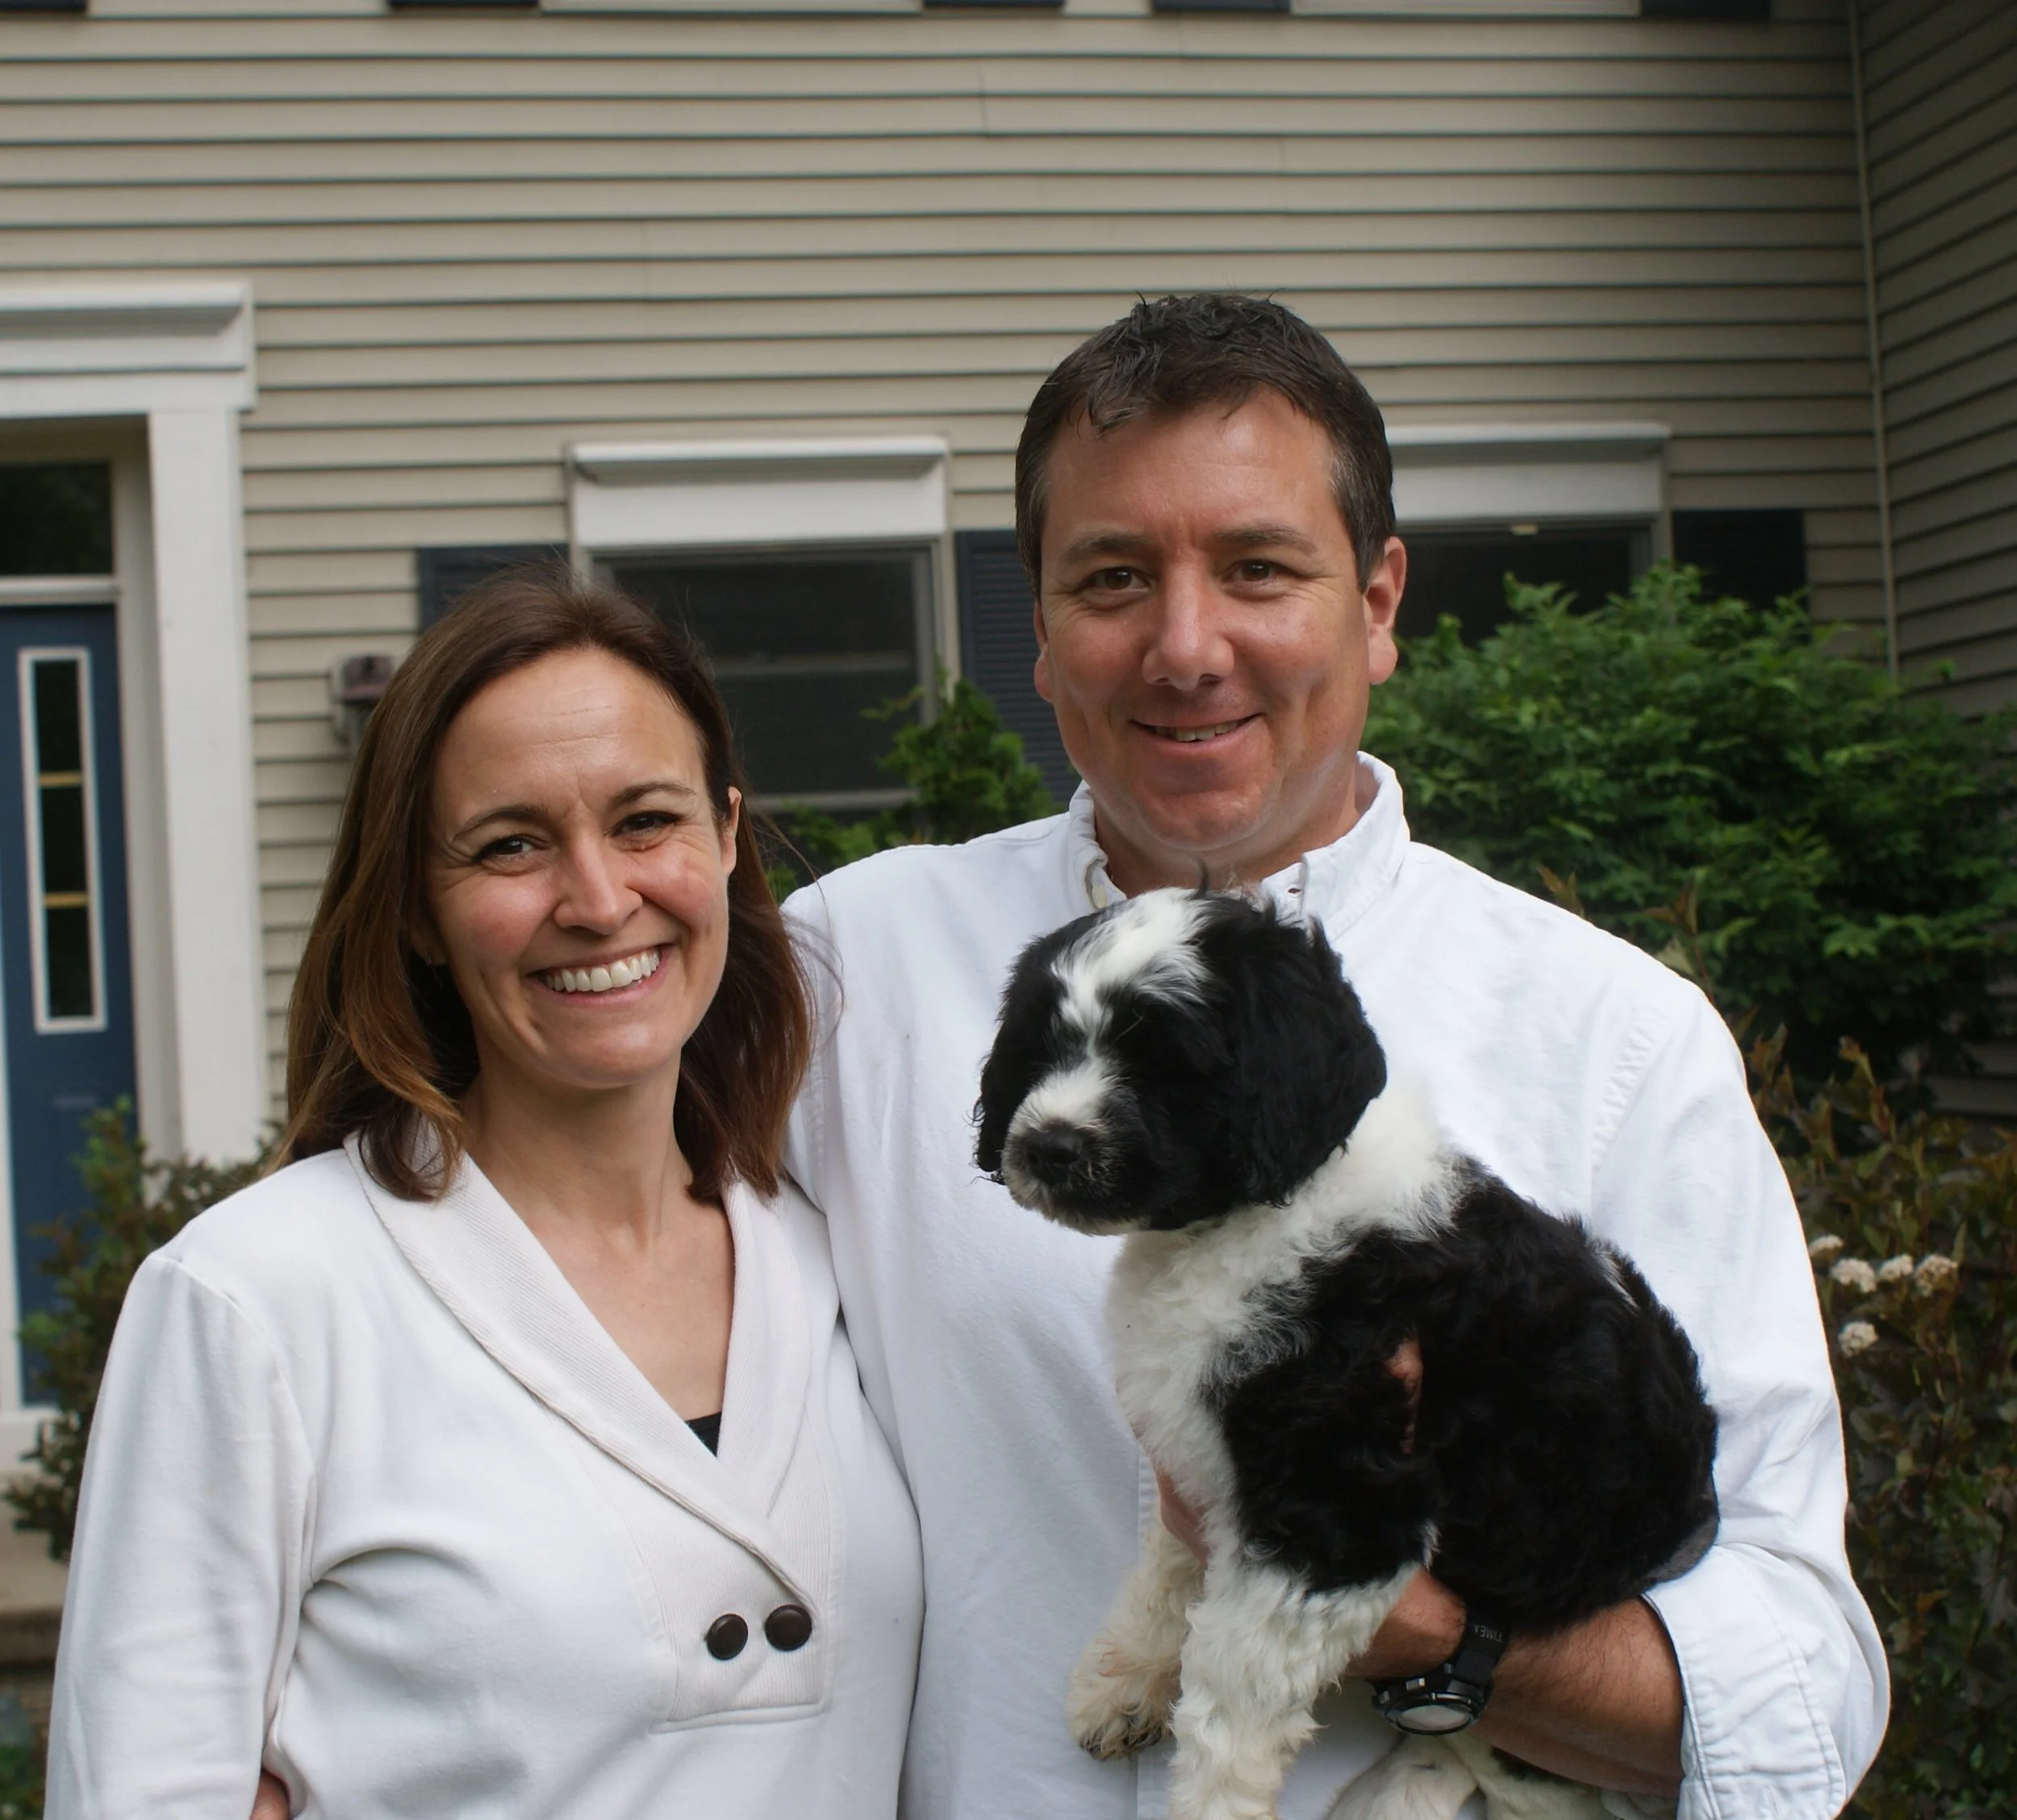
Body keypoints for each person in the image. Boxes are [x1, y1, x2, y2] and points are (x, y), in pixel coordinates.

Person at [781, 294, 1885, 1819]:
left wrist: (1417, 1629)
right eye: (1112, 578)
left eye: (1256, 568)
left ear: (1377, 603)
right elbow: (556, 1282)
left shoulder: (1614, 1039)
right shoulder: (846, 972)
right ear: (1036, 632)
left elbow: (1803, 1695)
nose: (1185, 647)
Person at [47, 574, 923, 1818]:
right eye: (510, 844)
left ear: (727, 839)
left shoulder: (844, 1258)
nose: (599, 898)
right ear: (413, 902)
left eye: (645, 821)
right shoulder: (256, 1302)